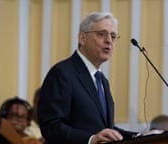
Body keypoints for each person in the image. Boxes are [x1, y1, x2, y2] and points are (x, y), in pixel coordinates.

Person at [37, 12, 137, 144]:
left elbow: (105, 130)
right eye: (102, 34)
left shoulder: (102, 81)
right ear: (82, 38)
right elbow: (51, 126)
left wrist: (143, 136)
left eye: (113, 36)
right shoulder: (62, 73)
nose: (109, 40)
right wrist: (90, 140)